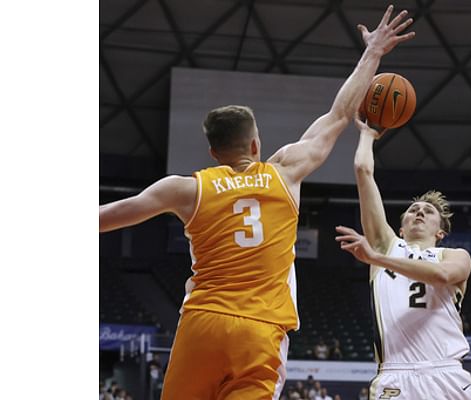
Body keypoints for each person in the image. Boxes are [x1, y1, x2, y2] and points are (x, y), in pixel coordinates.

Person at [98, 6, 415, 399]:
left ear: (213, 153)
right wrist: (373, 53)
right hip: (261, 328)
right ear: (255, 144)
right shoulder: (285, 172)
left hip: (203, 322)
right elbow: (340, 115)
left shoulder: (185, 188)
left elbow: (106, 217)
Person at [333, 117, 471, 399]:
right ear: (400, 229)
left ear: (440, 232)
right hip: (395, 375)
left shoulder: (454, 255)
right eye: (413, 210)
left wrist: (376, 258)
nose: (419, 212)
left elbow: (442, 276)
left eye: (428, 211)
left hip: (447, 372)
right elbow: (363, 171)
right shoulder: (387, 246)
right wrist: (366, 134)